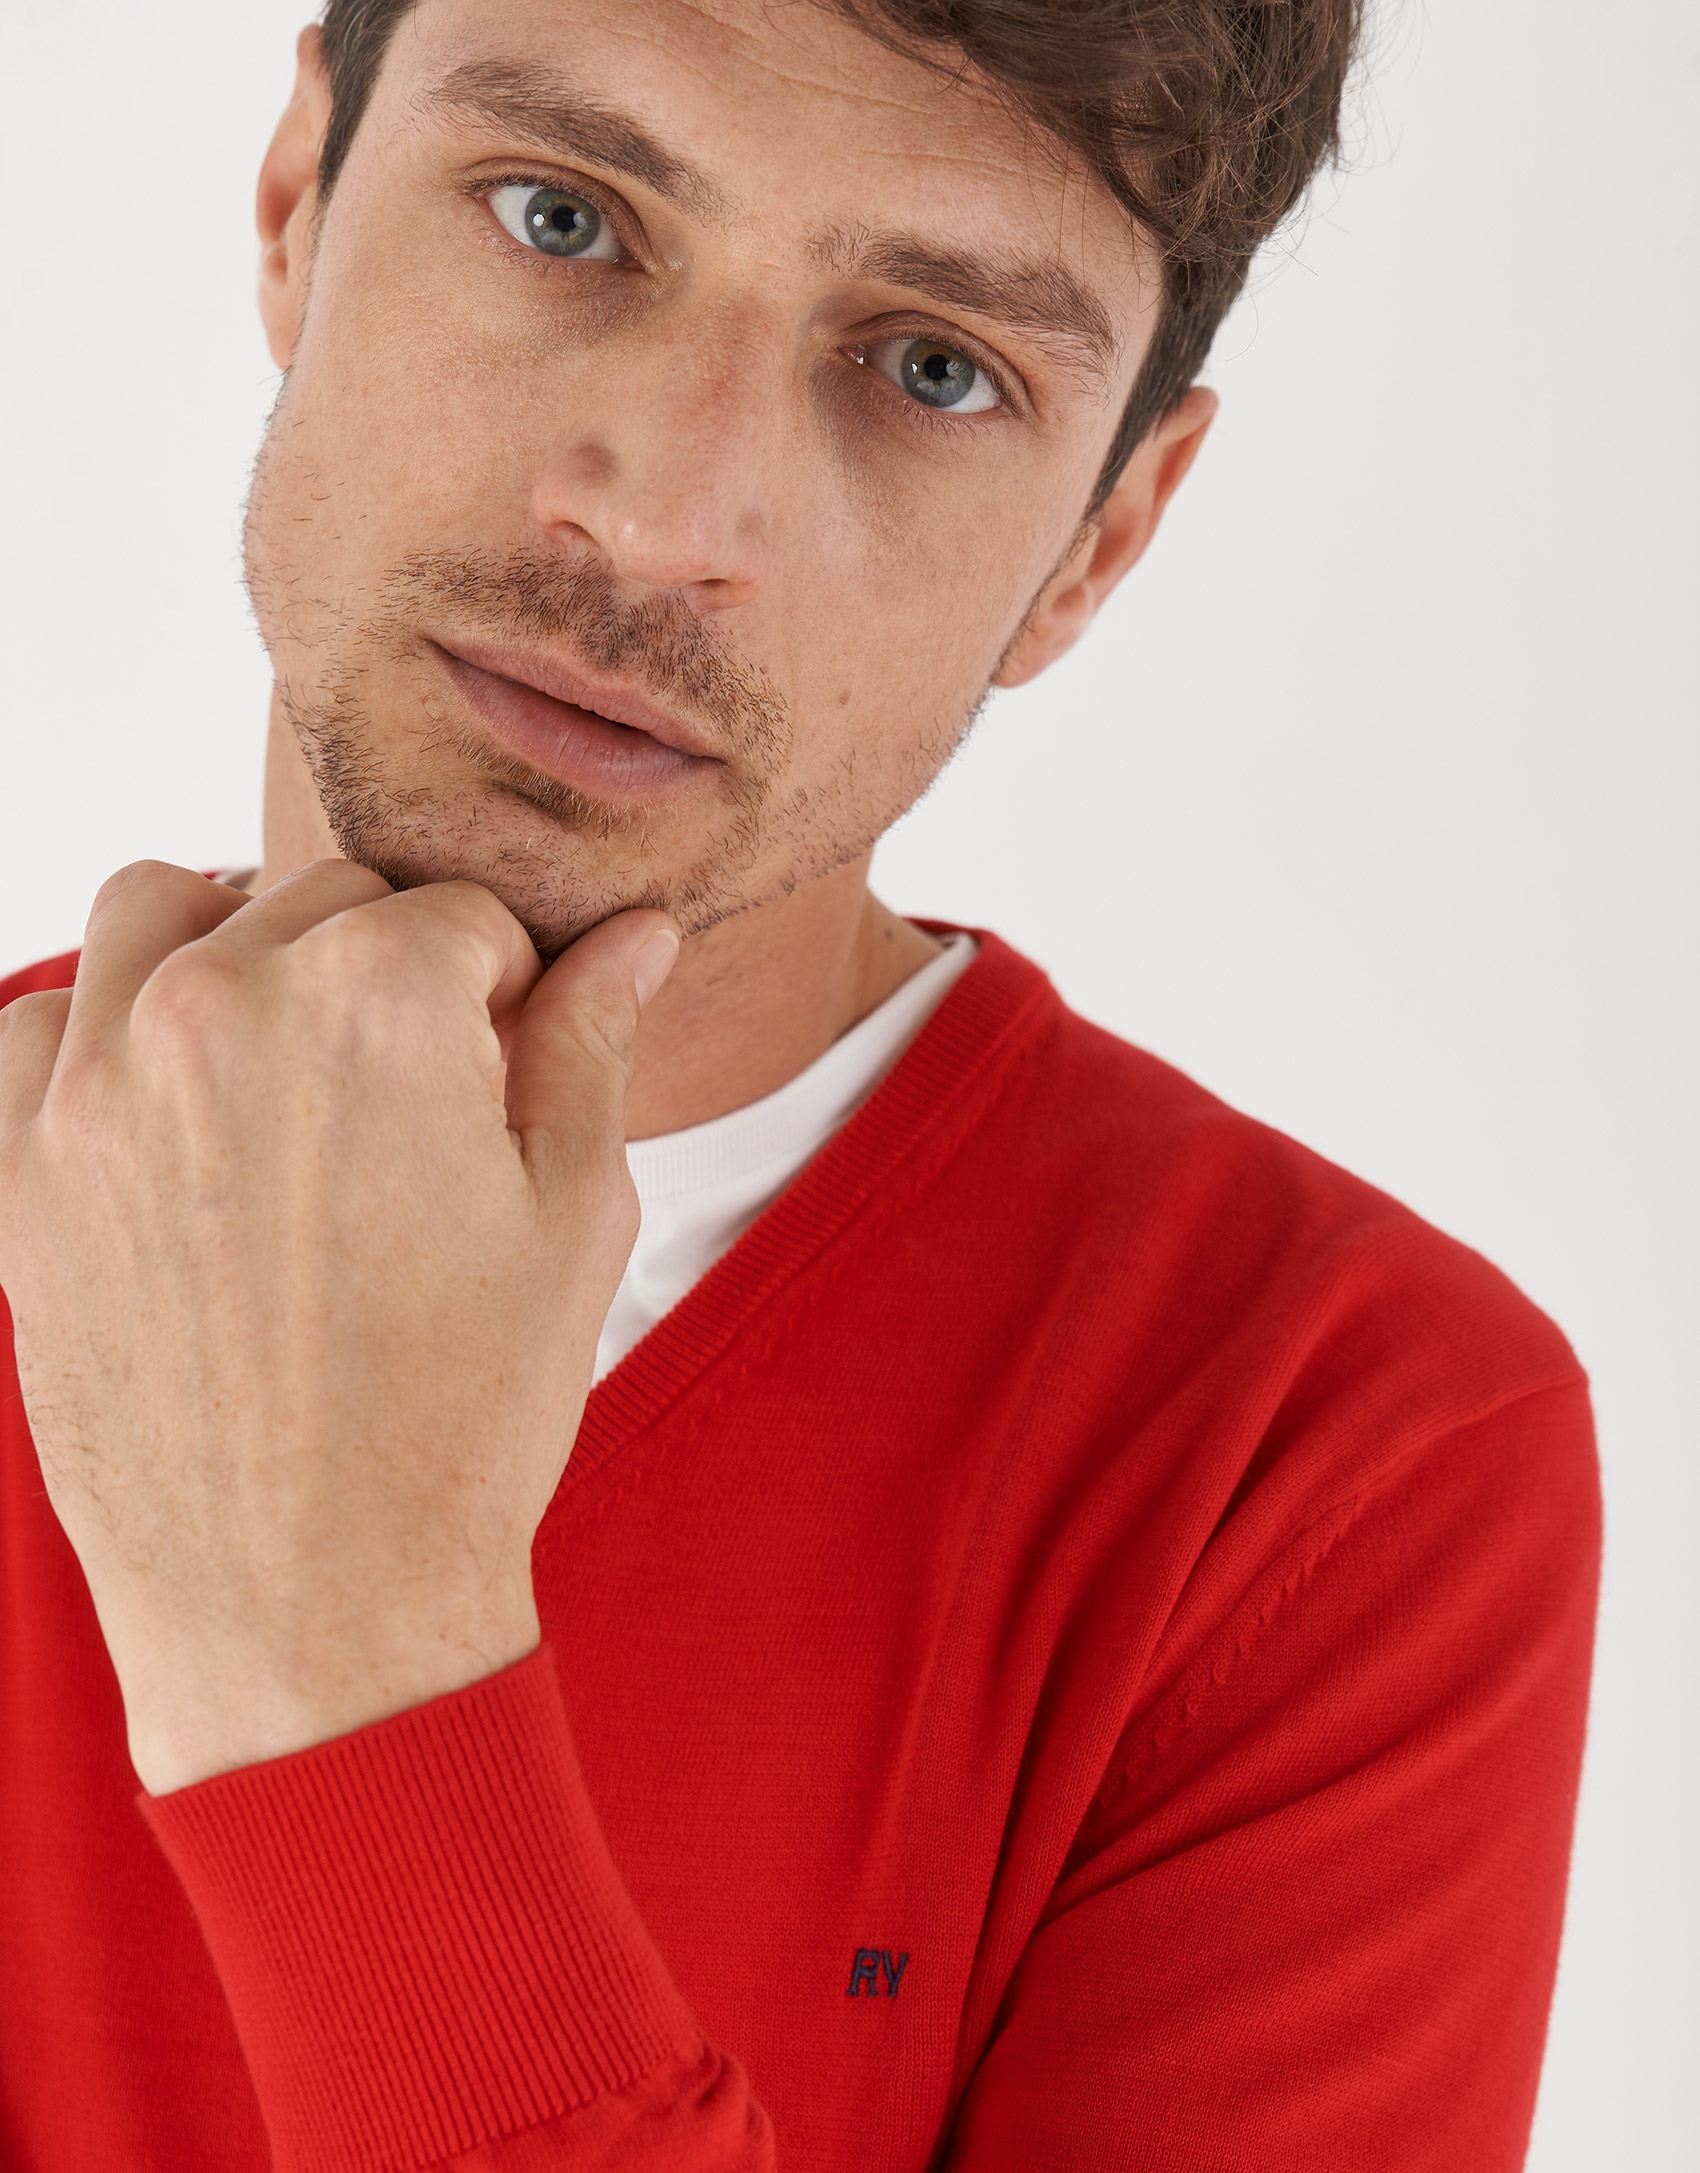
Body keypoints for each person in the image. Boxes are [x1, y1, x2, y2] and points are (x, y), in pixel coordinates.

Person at [0, 1, 1598, 2166]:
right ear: (295, 203)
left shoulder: (1328, 1458)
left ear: (1104, 538)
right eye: (562, 218)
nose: (664, 511)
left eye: (933, 364)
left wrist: (335, 1666)